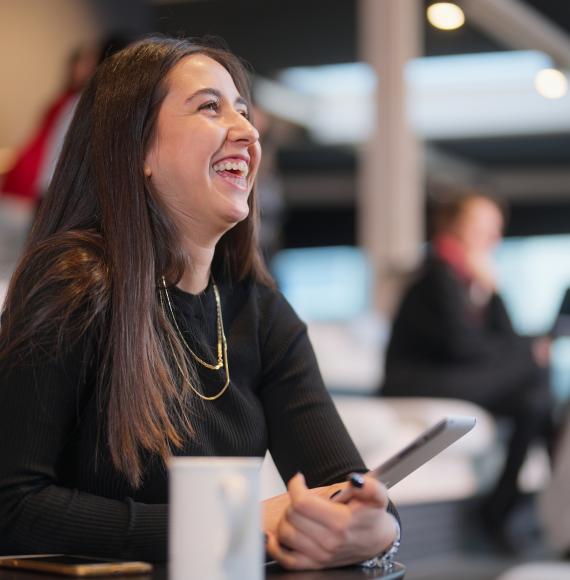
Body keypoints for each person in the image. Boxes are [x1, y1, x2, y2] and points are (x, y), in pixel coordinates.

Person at [0, 36, 399, 570]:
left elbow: (342, 483)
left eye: (242, 109)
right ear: (138, 148)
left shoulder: (259, 311)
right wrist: (232, 524)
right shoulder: (73, 284)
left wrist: (374, 527)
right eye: (210, 107)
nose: (248, 131)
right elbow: (12, 506)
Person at [381, 193, 554, 542]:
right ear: (457, 228)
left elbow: (503, 339)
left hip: (455, 377)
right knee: (533, 369)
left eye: (495, 230)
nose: (493, 238)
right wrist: (526, 352)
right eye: (485, 228)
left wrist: (495, 291)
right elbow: (465, 348)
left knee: (534, 398)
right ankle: (511, 509)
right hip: (417, 380)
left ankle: (504, 506)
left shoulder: (470, 280)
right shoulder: (436, 275)